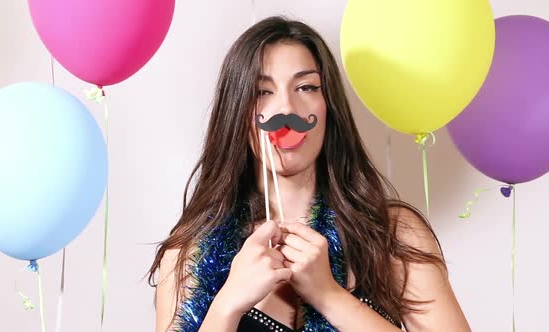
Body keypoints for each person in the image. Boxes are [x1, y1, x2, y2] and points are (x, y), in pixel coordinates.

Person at [149, 16, 470, 332]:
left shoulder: (393, 234)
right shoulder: (188, 252)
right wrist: (228, 304)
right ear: (236, 111)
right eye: (263, 91)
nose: (287, 109)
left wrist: (329, 297)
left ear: (329, 105)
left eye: (306, 87)